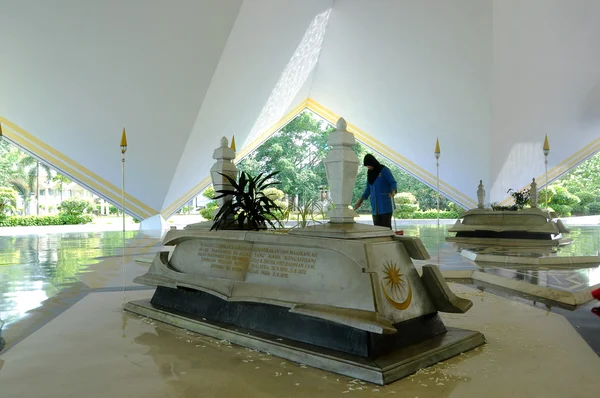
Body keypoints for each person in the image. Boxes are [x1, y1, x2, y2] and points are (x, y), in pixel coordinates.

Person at [353, 154, 397, 228]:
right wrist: (360, 201)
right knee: (377, 228)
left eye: (369, 165)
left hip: (385, 205)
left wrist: (393, 191)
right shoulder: (369, 173)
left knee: (386, 228)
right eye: (367, 166)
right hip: (375, 207)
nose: (368, 167)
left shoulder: (384, 170)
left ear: (373, 163)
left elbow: (392, 182)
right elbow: (368, 189)